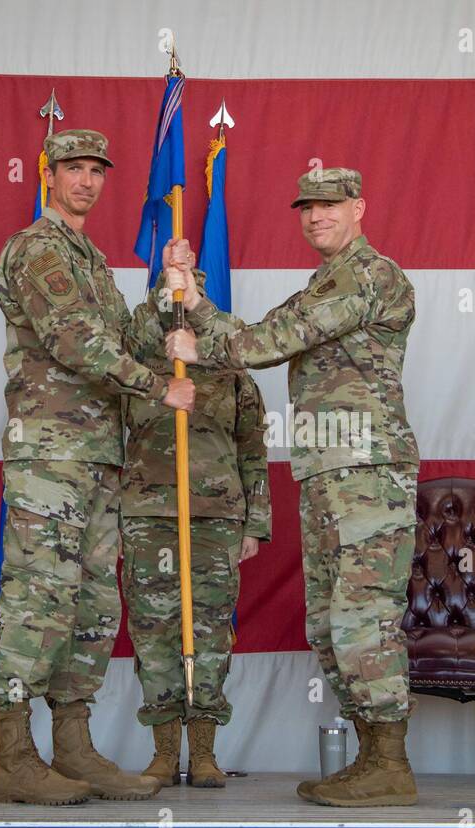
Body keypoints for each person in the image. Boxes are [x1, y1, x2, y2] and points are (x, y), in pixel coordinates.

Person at [163, 167, 421, 807]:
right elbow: (254, 335)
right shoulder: (322, 283)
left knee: (365, 620)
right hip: (326, 471)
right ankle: (370, 757)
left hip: (366, 474)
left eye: (330, 204)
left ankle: (391, 764)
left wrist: (197, 322)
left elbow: (267, 342)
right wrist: (191, 296)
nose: (315, 216)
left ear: (360, 206)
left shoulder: (370, 276)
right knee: (331, 626)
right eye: (305, 206)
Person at [0, 129, 194, 805]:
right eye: (73, 168)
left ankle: (73, 745)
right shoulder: (38, 249)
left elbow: (121, 334)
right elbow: (75, 341)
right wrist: (157, 384)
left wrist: (170, 292)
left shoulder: (93, 261)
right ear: (48, 173)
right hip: (51, 453)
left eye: (96, 170)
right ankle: (13, 754)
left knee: (94, 605)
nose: (86, 180)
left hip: (100, 456)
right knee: (39, 596)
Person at [120, 265, 271, 788]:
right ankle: (163, 753)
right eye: (171, 292)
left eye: (190, 291)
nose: (181, 299)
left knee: (208, 632)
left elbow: (253, 448)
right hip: (147, 514)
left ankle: (204, 750)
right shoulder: (136, 359)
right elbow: (131, 336)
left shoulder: (230, 370)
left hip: (216, 517)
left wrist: (255, 524)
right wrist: (162, 296)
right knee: (154, 631)